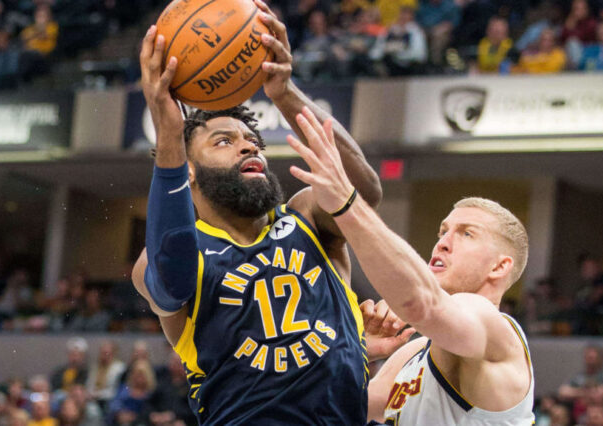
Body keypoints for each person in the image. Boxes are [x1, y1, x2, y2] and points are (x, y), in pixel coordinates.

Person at [131, 0, 382, 423]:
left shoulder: (306, 218)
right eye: (224, 141)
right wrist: (170, 135)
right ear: (188, 172)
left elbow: (365, 191)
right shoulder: (165, 259)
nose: (249, 146)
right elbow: (171, 278)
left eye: (252, 140)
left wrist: (285, 94)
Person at [284, 120, 534, 424]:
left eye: (466, 234)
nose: (442, 243)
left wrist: (346, 205)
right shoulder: (413, 351)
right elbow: (332, 411)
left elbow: (419, 303)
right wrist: (356, 351)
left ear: (499, 267)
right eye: (443, 231)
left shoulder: (489, 323)